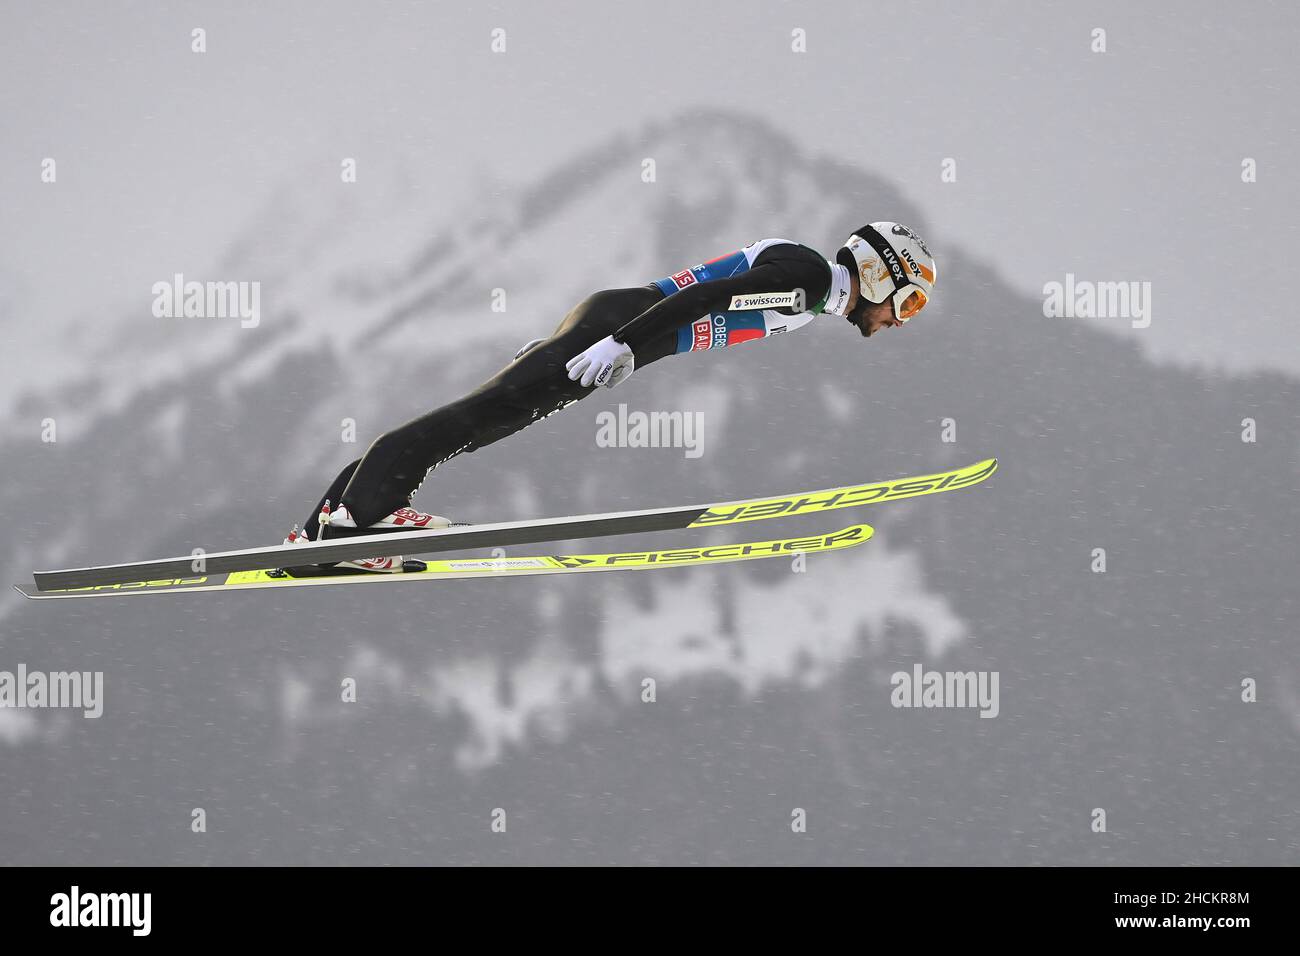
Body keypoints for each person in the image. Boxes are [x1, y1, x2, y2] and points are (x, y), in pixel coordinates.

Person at [283, 222, 938, 572]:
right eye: (906, 301)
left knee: (487, 414)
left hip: (615, 320)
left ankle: (324, 530)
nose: (899, 320)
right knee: (484, 417)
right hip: (621, 326)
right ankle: (366, 515)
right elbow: (707, 298)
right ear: (880, 272)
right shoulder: (811, 283)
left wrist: (608, 338)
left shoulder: (810, 285)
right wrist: (621, 344)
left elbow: (708, 294)